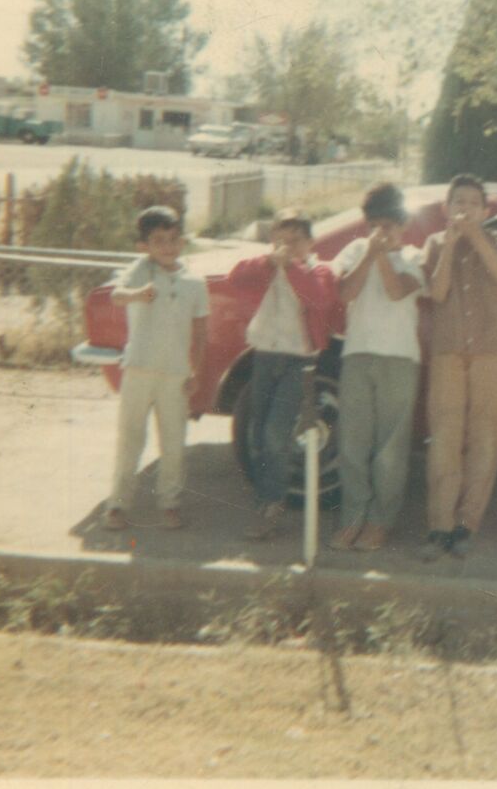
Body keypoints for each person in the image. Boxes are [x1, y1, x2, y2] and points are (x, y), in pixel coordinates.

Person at [418, 174, 497, 560]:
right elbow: (438, 292)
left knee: (485, 436)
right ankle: (439, 525)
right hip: (448, 351)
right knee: (445, 437)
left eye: (474, 203)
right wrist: (450, 245)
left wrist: (475, 237)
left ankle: (467, 524)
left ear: (485, 211)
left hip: (489, 350)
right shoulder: (434, 242)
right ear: (447, 208)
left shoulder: (496, 240)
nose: (466, 208)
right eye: (459, 202)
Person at [228, 208, 336, 540]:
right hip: (264, 356)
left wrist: (289, 267)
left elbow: (319, 298)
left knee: (276, 432)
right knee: (259, 431)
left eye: (296, 240)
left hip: (298, 361)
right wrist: (269, 262)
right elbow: (236, 278)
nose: (288, 246)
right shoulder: (267, 266)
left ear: (311, 242)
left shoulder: (318, 270)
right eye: (281, 240)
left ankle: (271, 504)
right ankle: (266, 498)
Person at [329, 183, 426, 551]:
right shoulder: (356, 250)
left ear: (404, 224)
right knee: (352, 443)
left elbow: (397, 291)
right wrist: (369, 254)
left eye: (389, 225)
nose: (382, 232)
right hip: (358, 354)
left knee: (390, 447)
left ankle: (380, 521)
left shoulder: (415, 256)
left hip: (399, 358)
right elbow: (344, 293)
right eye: (375, 225)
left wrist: (383, 256)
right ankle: (352, 517)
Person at [104, 205, 208, 531]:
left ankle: (169, 504)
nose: (167, 246)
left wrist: (196, 371)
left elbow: (201, 332)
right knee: (130, 439)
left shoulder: (194, 281)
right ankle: (118, 504)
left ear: (182, 241)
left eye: (173, 239)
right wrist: (138, 294)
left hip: (176, 374)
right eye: (159, 240)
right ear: (144, 246)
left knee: (174, 443)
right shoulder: (141, 270)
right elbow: (117, 296)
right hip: (139, 369)